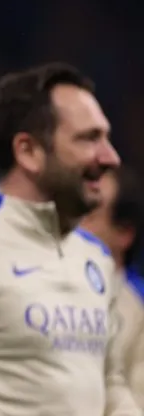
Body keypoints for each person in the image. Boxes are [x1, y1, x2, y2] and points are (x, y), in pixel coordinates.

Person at [0, 63, 138, 415]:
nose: (110, 157)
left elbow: (109, 382)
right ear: (28, 151)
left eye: (106, 138)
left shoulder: (96, 258)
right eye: (89, 138)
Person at [81, 167, 144, 407]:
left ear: (124, 233)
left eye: (88, 214)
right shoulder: (37, 284)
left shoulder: (137, 311)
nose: (72, 225)